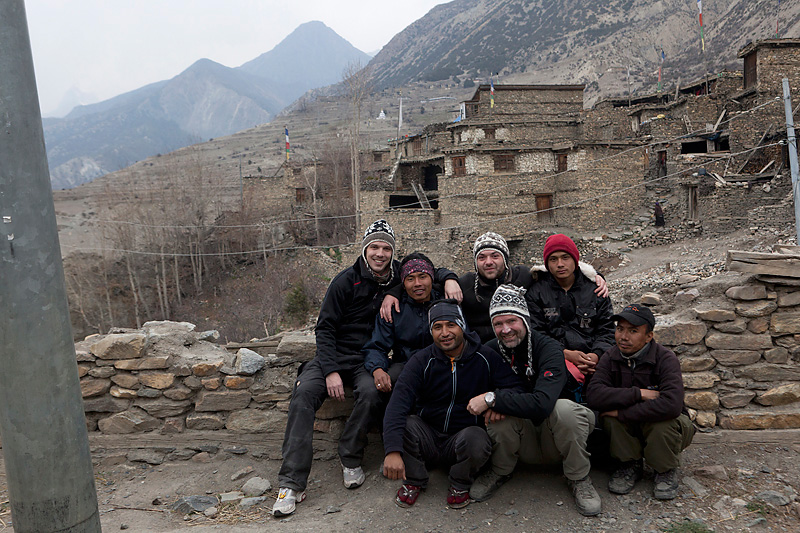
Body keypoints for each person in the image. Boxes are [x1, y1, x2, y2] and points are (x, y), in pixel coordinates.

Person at [273, 220, 460, 517]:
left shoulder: (400, 274)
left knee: (373, 394)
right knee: (304, 394)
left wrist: (449, 278)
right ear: (364, 249)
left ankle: (350, 456)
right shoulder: (345, 281)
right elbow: (324, 328)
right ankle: (291, 483)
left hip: (366, 359)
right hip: (333, 355)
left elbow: (425, 271)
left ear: (393, 252)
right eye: (374, 247)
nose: (380, 254)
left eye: (386, 248)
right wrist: (330, 370)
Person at [466, 285, 601, 516]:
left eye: (512, 321)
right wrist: (495, 403)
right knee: (496, 414)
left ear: (525, 320)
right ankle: (500, 470)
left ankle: (578, 476)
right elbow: (475, 396)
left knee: (564, 409)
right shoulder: (489, 351)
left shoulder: (549, 348)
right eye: (498, 323)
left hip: (555, 435)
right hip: (523, 438)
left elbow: (543, 404)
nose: (506, 330)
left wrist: (493, 398)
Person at [382, 300, 523, 509]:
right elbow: (397, 405)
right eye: (437, 327)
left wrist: (494, 400)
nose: (445, 333)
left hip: (462, 439)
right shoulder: (421, 361)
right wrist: (392, 451)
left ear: (462, 326)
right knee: (407, 424)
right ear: (431, 331)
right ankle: (414, 479)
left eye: (451, 325)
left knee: (477, 438)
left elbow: (515, 388)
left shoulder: (485, 357)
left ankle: (460, 482)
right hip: (427, 435)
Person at [380, 231, 607, 344]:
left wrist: (594, 275)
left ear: (505, 259)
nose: (488, 262)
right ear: (475, 262)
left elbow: (557, 267)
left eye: (495, 256)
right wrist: (393, 292)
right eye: (482, 257)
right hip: (479, 352)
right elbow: (423, 281)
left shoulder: (524, 276)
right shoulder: (464, 284)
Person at [586, 304, 695, 500]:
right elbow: (594, 395)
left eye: (633, 331)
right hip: (632, 425)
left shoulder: (665, 359)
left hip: (666, 424)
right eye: (620, 329)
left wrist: (622, 412)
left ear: (649, 336)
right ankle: (628, 464)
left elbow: (671, 405)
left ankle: (665, 469)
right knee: (610, 420)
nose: (623, 337)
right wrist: (638, 394)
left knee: (662, 422)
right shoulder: (610, 357)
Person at [527, 234, 615, 401]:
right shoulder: (536, 293)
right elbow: (535, 333)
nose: (560, 264)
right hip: (554, 360)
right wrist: (564, 354)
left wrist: (596, 355)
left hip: (594, 360)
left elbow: (607, 329)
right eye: (553, 259)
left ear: (575, 260)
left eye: (565, 257)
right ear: (547, 264)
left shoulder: (596, 290)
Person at [363, 252, 440, 394]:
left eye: (423, 277)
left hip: (443, 365)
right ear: (403, 283)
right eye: (410, 279)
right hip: (405, 366)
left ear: (432, 278)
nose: (417, 284)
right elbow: (377, 345)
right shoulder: (393, 309)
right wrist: (377, 369)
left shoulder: (445, 304)